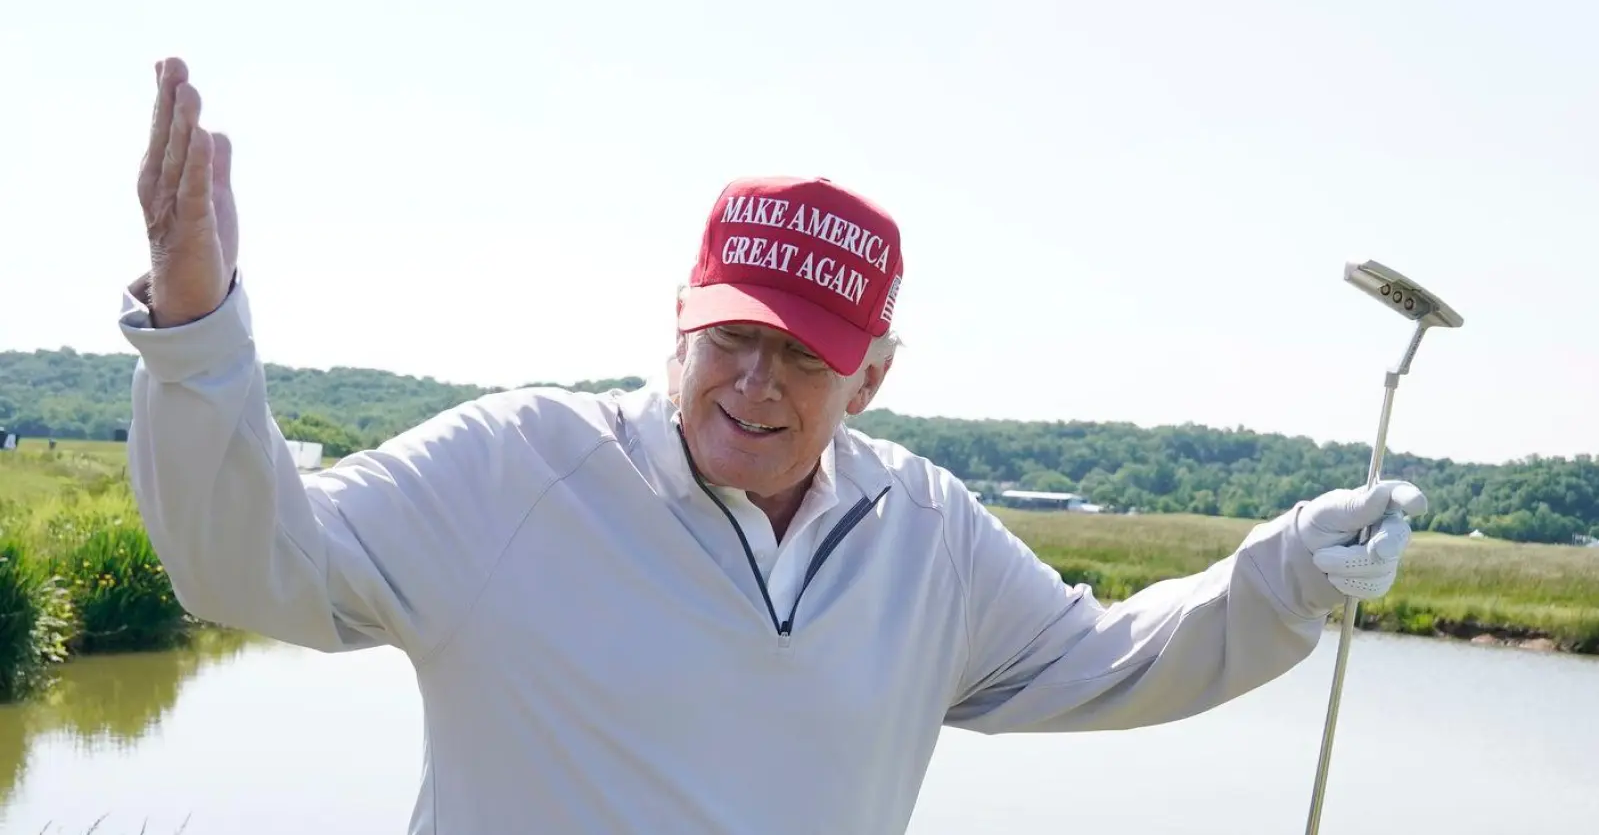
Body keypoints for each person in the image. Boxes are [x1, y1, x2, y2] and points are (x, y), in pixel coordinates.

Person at [121, 57, 1427, 835]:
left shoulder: (925, 532)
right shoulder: (515, 466)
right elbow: (253, 569)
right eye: (729, 338)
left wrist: (1284, 576)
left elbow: (1101, 662)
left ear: (872, 377)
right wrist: (197, 333)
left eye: (803, 354)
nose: (754, 382)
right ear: (676, 326)